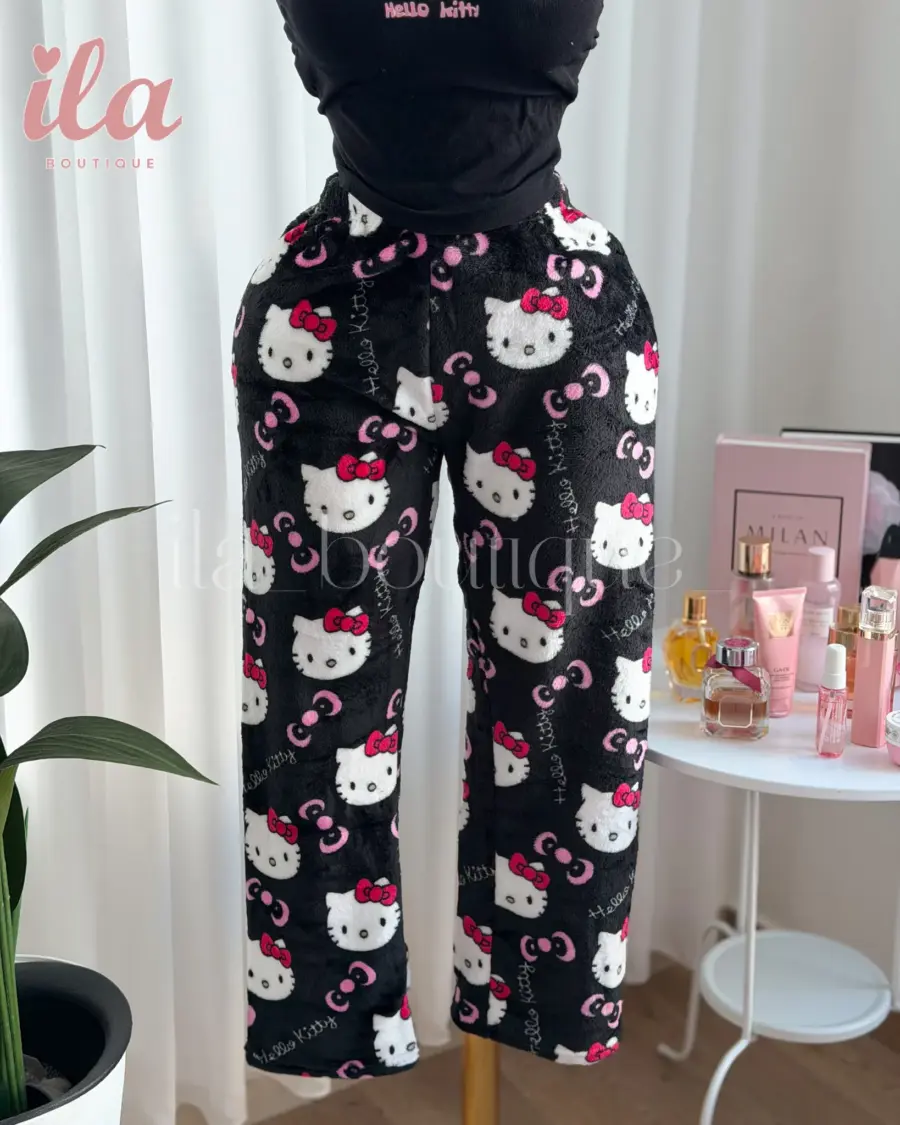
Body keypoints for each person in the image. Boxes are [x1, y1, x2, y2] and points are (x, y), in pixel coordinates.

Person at [236, 0, 657, 1079]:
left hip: (561, 311)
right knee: (314, 699)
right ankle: (330, 1020)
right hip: (330, 315)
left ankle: (540, 996)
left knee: (570, 681)